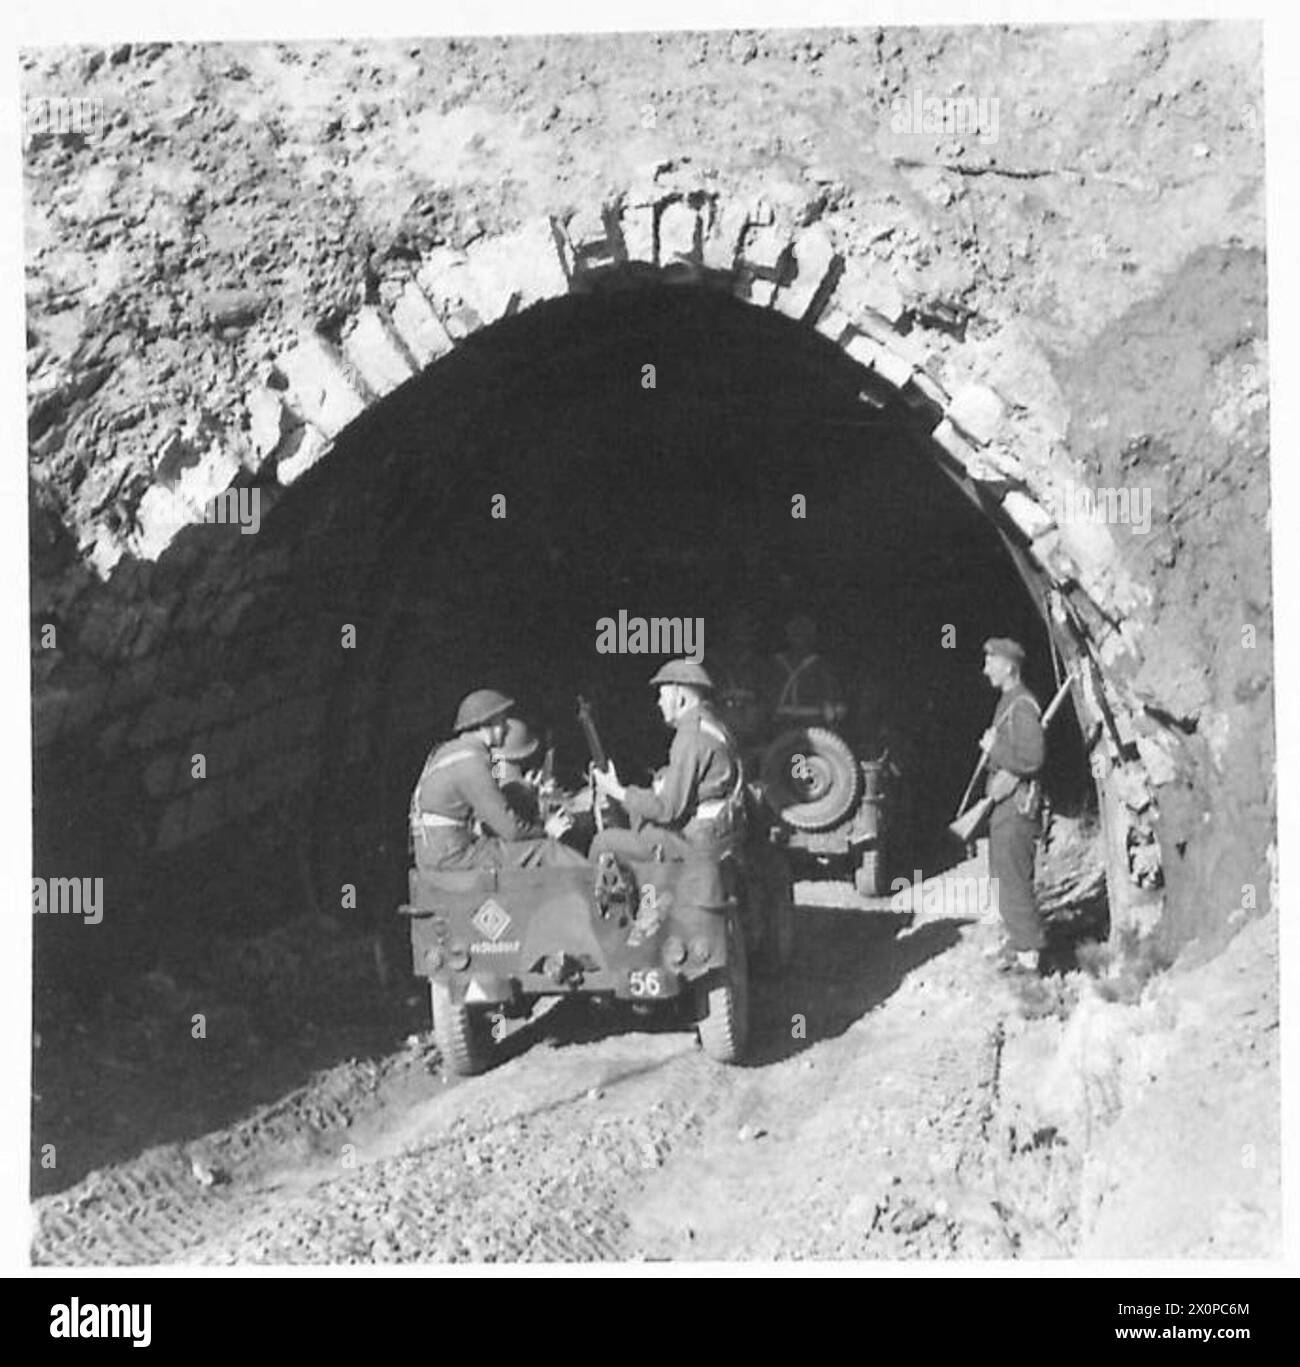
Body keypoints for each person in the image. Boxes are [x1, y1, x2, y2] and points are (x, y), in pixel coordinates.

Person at [410, 689, 585, 871]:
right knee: (546, 850)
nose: (507, 728)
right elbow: (511, 830)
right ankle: (598, 887)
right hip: (452, 855)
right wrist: (547, 830)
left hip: (440, 850)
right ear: (488, 724)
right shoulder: (473, 763)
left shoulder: (450, 751)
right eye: (502, 721)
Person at [589, 660, 745, 863]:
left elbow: (667, 810)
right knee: (641, 819)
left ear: (680, 699)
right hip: (721, 835)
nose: (659, 703)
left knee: (604, 842)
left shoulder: (690, 736)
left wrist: (616, 791)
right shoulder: (713, 725)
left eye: (662, 696)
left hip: (698, 845)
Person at [978, 638, 1046, 972]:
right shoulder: (1009, 701)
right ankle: (1020, 948)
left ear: (1009, 666)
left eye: (991, 662)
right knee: (1004, 878)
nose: (985, 669)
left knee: (1015, 882)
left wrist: (995, 749)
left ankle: (1030, 962)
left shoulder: (1021, 705)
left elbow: (1032, 760)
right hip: (1005, 804)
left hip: (1018, 805)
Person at [769, 614, 847, 728]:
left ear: (788, 636)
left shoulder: (775, 662)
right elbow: (830, 694)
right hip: (812, 723)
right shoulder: (820, 664)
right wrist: (833, 718)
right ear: (812, 638)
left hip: (781, 721)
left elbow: (767, 693)